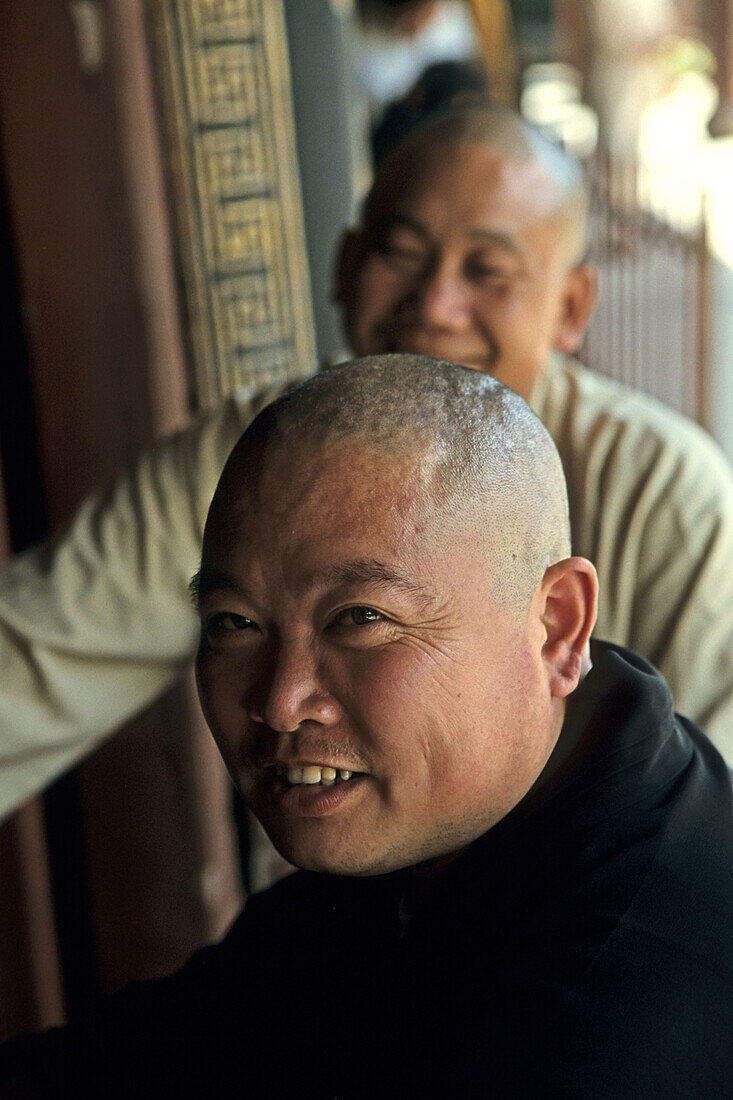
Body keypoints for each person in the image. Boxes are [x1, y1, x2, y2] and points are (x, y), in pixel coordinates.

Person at [1, 355, 731, 1096]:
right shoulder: (433, 833)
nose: (281, 702)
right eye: (235, 623)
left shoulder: (615, 1019)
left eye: (359, 619)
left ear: (554, 628)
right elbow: (158, 1053)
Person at [1, 102, 732, 821]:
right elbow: (34, 665)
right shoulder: (261, 456)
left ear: (570, 307)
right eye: (401, 255)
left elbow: (710, 811)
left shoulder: (665, 496)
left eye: (487, 271)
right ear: (346, 265)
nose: (435, 306)